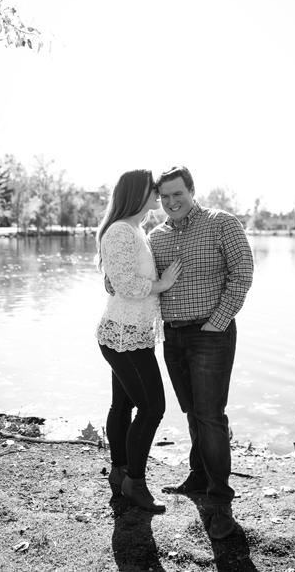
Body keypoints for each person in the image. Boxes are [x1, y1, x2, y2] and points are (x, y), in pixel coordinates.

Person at [149, 165, 253, 539]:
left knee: (210, 415)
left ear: (192, 190)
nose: (172, 202)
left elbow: (242, 273)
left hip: (212, 332)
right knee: (192, 411)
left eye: (178, 193)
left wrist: (217, 322)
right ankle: (197, 476)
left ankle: (221, 503)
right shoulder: (155, 237)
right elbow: (144, 281)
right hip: (173, 337)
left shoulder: (221, 223)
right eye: (165, 196)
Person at [95, 169, 181, 513]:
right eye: (153, 190)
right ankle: (135, 481)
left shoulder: (135, 230)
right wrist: (162, 284)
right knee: (152, 408)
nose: (158, 195)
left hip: (132, 332)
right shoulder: (120, 231)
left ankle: (119, 472)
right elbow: (126, 284)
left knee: (124, 406)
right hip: (123, 333)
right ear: (138, 193)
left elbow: (118, 278)